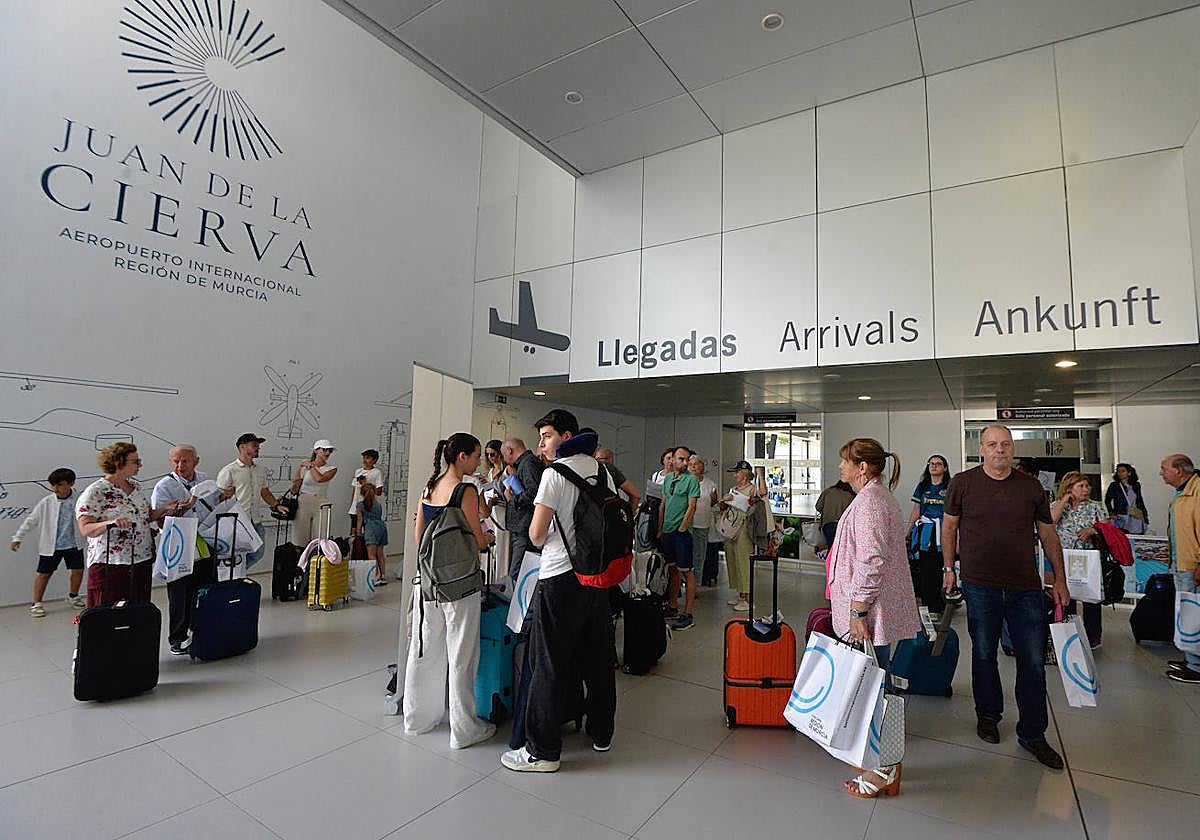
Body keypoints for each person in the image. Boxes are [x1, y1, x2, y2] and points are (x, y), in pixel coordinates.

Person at [942, 425, 1069, 770]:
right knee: (983, 654)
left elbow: (1048, 534)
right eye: (993, 444)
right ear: (981, 449)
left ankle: (1033, 733)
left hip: (1025, 588)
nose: (1000, 450)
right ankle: (988, 715)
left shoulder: (1031, 488)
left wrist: (1060, 578)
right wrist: (949, 569)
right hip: (979, 584)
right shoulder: (963, 484)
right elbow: (949, 526)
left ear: (1013, 449)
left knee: (1031, 661)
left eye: (1006, 444)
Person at [501, 409, 616, 773]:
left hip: (559, 578)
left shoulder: (554, 474)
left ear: (566, 436)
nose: (542, 444)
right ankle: (601, 732)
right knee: (598, 658)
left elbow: (535, 535)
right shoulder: (602, 471)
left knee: (549, 662)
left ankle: (543, 751)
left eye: (547, 435)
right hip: (597, 578)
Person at [827, 438, 919, 798]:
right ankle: (879, 757)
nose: (841, 467)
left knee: (879, 691)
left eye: (845, 461)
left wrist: (857, 609)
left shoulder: (872, 503)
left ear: (862, 467)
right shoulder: (872, 498)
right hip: (870, 608)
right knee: (874, 686)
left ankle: (886, 767)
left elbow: (873, 560)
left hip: (871, 611)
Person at [404, 433, 497, 748]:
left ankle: (417, 719)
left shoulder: (429, 487)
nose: (478, 462)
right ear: (462, 457)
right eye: (475, 456)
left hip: (427, 582)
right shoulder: (465, 491)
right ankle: (464, 729)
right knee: (462, 655)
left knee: (424, 650)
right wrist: (489, 540)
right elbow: (477, 537)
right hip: (460, 585)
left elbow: (419, 538)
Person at [76, 442, 186, 607]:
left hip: (142, 559)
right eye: (135, 461)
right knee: (108, 612)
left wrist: (165, 509)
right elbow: (86, 528)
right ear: (118, 463)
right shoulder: (96, 492)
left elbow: (145, 517)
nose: (140, 465)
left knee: (138, 610)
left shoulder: (136, 487)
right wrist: (111, 523)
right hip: (111, 563)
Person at [151, 444, 220, 655]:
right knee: (179, 594)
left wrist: (223, 497)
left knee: (205, 589)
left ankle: (203, 630)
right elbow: (160, 523)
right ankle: (177, 638)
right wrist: (185, 507)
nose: (180, 465)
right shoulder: (164, 486)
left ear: (196, 461)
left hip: (206, 543)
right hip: (179, 545)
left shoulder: (206, 480)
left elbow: (214, 507)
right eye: (176, 461)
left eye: (185, 461)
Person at [10, 467, 86, 617]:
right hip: (52, 546)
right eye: (53, 485)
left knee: (77, 571)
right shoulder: (46, 502)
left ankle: (73, 596)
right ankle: (36, 603)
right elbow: (31, 520)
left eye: (60, 484)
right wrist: (17, 537)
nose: (55, 488)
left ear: (70, 483)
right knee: (44, 574)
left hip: (74, 544)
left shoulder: (80, 500)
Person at [1051, 472, 1106, 649]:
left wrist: (1092, 530)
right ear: (1069, 488)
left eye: (1087, 486)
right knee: (1066, 595)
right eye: (1080, 486)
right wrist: (1064, 500)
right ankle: (1068, 633)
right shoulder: (1056, 505)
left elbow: (1108, 529)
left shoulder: (1096, 506)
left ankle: (1093, 636)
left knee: (1090, 598)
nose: (1086, 489)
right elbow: (1051, 521)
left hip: (1087, 557)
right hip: (1063, 558)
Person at [216, 433, 289, 569]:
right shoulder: (229, 471)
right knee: (236, 554)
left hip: (255, 519)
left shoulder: (260, 470)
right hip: (237, 521)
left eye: (258, 446)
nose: (258, 448)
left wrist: (276, 505)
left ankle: (238, 574)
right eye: (254, 445)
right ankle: (231, 578)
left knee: (258, 552)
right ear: (242, 447)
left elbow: (265, 492)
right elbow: (218, 498)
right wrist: (225, 495)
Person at [1160, 453, 1200, 684]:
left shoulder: (1196, 493)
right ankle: (1191, 658)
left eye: (1164, 468)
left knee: (1194, 614)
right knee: (1186, 612)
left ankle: (1196, 666)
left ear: (1180, 471)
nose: (1161, 472)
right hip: (1180, 562)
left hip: (1192, 564)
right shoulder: (1181, 493)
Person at [903, 454, 952, 615]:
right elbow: (916, 510)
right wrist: (907, 533)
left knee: (941, 567)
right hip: (925, 533)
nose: (934, 466)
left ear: (944, 468)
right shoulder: (922, 487)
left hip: (943, 533)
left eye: (938, 464)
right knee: (924, 569)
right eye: (931, 463)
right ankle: (926, 604)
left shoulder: (950, 487)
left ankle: (940, 604)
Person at [660, 446, 700, 631]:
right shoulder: (668, 479)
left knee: (687, 571)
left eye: (687, 459)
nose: (685, 463)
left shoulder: (691, 480)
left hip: (681, 533)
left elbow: (692, 506)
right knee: (672, 570)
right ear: (673, 460)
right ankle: (673, 605)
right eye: (681, 459)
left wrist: (683, 526)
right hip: (668, 531)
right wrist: (660, 529)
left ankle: (688, 613)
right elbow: (663, 504)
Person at [501, 437, 545, 578]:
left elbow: (534, 492)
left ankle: (517, 600)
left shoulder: (528, 464)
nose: (504, 459)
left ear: (509, 450)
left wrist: (512, 499)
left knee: (516, 573)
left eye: (503, 455)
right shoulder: (525, 464)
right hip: (523, 527)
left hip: (524, 527)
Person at [720, 460, 761, 612]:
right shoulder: (733, 489)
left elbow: (759, 500)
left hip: (744, 529)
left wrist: (760, 476)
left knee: (744, 561)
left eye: (737, 472)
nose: (735, 475)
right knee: (733, 560)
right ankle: (740, 593)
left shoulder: (753, 489)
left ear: (744, 474)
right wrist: (724, 500)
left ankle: (748, 598)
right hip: (731, 527)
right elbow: (723, 506)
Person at [290, 440, 338, 547]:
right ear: (316, 451)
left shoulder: (331, 469)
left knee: (321, 538)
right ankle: (300, 561)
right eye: (324, 450)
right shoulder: (304, 466)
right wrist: (297, 479)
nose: (327, 453)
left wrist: (311, 466)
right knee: (300, 537)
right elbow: (295, 488)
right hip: (304, 500)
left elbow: (319, 479)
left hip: (321, 502)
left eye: (329, 451)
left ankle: (316, 561)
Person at [687, 455, 720, 587]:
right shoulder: (685, 482)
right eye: (691, 464)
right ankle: (685, 582)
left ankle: (696, 584)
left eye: (696, 464)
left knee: (699, 556)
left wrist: (714, 500)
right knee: (686, 554)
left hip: (702, 524)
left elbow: (714, 504)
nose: (693, 466)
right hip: (686, 523)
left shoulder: (710, 484)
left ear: (702, 466)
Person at [354, 480, 390, 586]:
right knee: (380, 554)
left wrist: (359, 533)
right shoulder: (378, 505)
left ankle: (374, 577)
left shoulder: (360, 505)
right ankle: (382, 576)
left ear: (362, 493)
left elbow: (360, 520)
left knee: (371, 555)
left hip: (371, 529)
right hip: (382, 528)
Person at [1105, 462, 1149, 535]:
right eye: (1118, 471)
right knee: (1122, 536)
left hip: (1135, 515)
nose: (1120, 473)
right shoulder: (1114, 485)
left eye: (1123, 471)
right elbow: (1107, 500)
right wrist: (1111, 512)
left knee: (1136, 535)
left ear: (1129, 473)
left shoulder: (1136, 485)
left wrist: (1144, 514)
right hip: (1121, 515)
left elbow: (1139, 500)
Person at [595, 447, 642, 511]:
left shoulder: (605, 469)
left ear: (610, 459)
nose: (596, 461)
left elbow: (636, 495)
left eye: (598, 459)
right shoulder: (612, 471)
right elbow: (636, 495)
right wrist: (629, 515)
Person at [348, 449, 384, 533]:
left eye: (367, 458)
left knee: (367, 531)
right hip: (355, 507)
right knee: (354, 530)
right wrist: (352, 505)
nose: (364, 460)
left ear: (374, 460)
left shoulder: (377, 472)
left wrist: (366, 484)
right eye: (364, 458)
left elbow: (379, 492)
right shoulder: (358, 471)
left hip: (368, 507)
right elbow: (355, 489)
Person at [815, 480, 855, 548]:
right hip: (842, 527)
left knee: (831, 549)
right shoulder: (851, 496)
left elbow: (818, 507)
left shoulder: (827, 492)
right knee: (839, 550)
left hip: (827, 525)